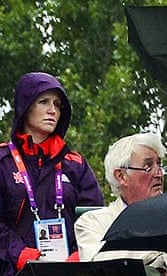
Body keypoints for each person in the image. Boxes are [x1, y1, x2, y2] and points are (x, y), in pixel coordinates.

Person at [0, 72, 104, 275]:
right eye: (43, 102)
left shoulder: (76, 164)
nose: (52, 110)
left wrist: (79, 255)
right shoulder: (3, 162)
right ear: (26, 106)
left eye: (57, 104)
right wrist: (20, 254)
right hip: (14, 270)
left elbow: (95, 219)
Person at [75, 133, 167, 275]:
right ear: (121, 176)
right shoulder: (93, 222)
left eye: (159, 165)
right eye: (148, 166)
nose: (159, 174)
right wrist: (159, 257)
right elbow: (100, 267)